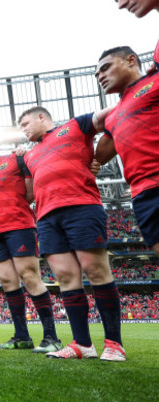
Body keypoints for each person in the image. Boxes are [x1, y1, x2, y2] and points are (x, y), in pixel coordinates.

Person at [18, 105, 124, 361]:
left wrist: (99, 157)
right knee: (65, 277)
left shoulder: (75, 127)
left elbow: (115, 111)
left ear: (41, 117)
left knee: (95, 269)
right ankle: (82, 345)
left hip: (82, 207)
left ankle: (114, 344)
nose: (23, 131)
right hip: (46, 217)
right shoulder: (29, 156)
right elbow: (29, 194)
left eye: (24, 124)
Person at [0, 134, 61, 353]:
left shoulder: (15, 159)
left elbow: (30, 192)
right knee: (8, 281)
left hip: (19, 226)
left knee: (29, 277)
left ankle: (51, 337)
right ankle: (22, 336)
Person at [95, 45, 159, 259]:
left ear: (131, 60)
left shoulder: (154, 82)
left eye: (105, 68)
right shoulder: (113, 117)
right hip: (142, 195)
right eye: (97, 74)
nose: (100, 76)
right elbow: (99, 156)